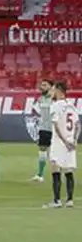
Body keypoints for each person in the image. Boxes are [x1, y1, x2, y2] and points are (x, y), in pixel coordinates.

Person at [46, 80, 78, 208]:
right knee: (68, 169)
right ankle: (70, 200)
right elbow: (77, 125)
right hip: (70, 142)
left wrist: (64, 141)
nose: (52, 92)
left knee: (55, 167)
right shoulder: (72, 105)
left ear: (59, 91)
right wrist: (74, 140)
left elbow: (55, 125)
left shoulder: (56, 105)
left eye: (53, 90)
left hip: (59, 142)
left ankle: (57, 201)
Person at [31, 79, 54, 182]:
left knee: (56, 154)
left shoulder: (56, 99)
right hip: (43, 129)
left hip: (55, 129)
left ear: (51, 87)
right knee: (42, 151)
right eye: (41, 85)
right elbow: (36, 112)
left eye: (45, 85)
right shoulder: (40, 99)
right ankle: (40, 175)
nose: (42, 87)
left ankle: (61, 175)